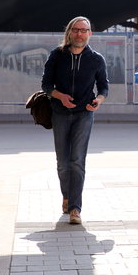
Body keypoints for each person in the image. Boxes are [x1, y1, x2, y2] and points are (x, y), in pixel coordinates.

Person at [41, 16, 109, 224]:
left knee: (77, 161)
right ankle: (67, 196)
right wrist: (60, 96)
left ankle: (75, 208)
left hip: (84, 114)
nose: (80, 34)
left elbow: (104, 87)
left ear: (90, 34)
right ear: (69, 32)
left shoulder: (96, 59)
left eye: (84, 30)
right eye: (76, 30)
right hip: (60, 113)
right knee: (63, 164)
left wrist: (97, 100)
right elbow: (46, 84)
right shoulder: (57, 55)